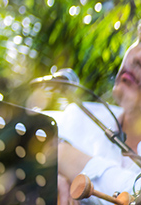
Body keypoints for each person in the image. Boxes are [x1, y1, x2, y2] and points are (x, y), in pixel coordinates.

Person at [52, 23, 141, 204]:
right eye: (139, 41)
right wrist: (53, 179)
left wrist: (65, 156)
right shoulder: (80, 115)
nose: (138, 56)